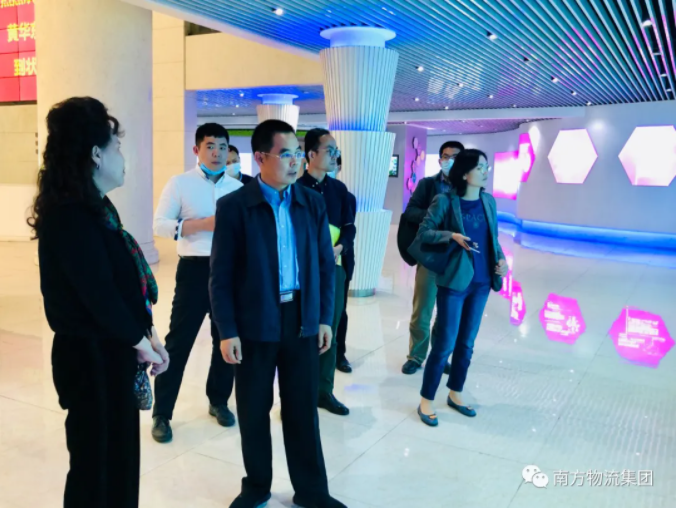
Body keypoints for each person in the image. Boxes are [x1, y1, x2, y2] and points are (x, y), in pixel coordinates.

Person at [30, 97, 169, 507]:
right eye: (117, 147)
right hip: (90, 361)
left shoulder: (97, 208)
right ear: (96, 154)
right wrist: (142, 343)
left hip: (112, 354)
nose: (123, 158)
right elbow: (99, 296)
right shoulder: (70, 216)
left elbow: (122, 286)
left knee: (119, 462)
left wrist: (148, 335)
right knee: (97, 472)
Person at [210, 119, 345, 508]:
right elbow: (220, 276)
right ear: (260, 157)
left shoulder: (311, 203)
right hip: (254, 323)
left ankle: (312, 491)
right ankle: (256, 486)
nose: (295, 161)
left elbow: (324, 266)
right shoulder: (235, 207)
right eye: (286, 154)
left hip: (301, 320)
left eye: (298, 154)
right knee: (254, 410)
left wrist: (323, 318)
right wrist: (227, 330)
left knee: (302, 409)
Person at [152, 123, 241, 443]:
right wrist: (204, 224)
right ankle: (162, 413)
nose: (217, 153)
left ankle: (218, 401)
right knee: (179, 342)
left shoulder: (237, 188)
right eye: (210, 146)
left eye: (222, 147)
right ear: (197, 150)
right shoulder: (180, 183)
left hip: (229, 272)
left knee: (226, 339)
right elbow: (160, 225)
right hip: (193, 271)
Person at [413, 149, 508, 427]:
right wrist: (451, 236)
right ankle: (426, 399)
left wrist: (501, 260)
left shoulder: (488, 201)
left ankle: (455, 392)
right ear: (465, 173)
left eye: (486, 167)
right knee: (445, 343)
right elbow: (424, 233)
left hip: (482, 283)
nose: (485, 171)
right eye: (480, 167)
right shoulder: (445, 201)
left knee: (467, 343)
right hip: (454, 282)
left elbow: (493, 239)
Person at [299, 128, 355, 415]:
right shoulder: (295, 189)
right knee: (302, 332)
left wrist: (340, 248)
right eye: (329, 151)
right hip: (302, 272)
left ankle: (324, 391)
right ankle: (297, 396)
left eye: (336, 151)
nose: (335, 156)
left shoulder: (339, 190)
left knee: (329, 329)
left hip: (333, 268)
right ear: (311, 154)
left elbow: (349, 228)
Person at [401, 141, 465, 375]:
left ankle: (439, 356)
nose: (450, 161)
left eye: (455, 157)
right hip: (430, 255)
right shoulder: (428, 185)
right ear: (440, 160)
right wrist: (436, 214)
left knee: (447, 312)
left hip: (456, 258)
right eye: (446, 157)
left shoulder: (468, 189)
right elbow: (410, 211)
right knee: (423, 309)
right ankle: (416, 356)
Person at [333, 156, 356, 373]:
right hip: (311, 263)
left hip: (341, 259)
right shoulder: (301, 190)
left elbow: (349, 229)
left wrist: (339, 248)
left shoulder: (345, 195)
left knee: (340, 309)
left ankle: (339, 354)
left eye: (335, 161)